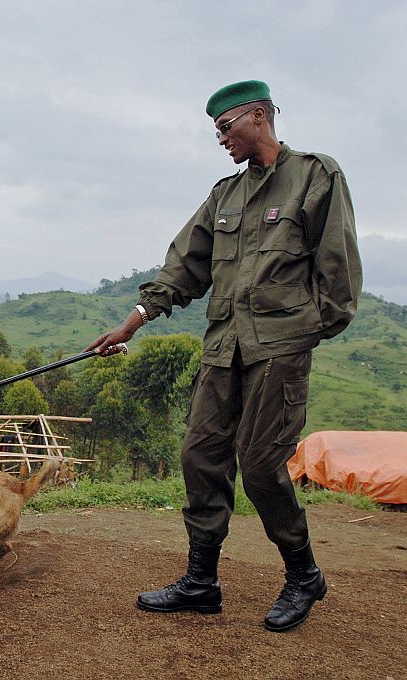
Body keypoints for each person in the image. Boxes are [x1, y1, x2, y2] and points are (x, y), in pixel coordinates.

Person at [85, 80, 362, 632]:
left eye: (224, 127)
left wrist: (305, 332)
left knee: (259, 466)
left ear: (257, 117)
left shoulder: (315, 174)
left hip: (278, 350)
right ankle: (201, 582)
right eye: (215, 130)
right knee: (201, 455)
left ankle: (304, 575)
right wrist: (131, 323)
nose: (220, 139)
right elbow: (184, 266)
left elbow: (339, 268)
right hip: (223, 348)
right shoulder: (224, 195)